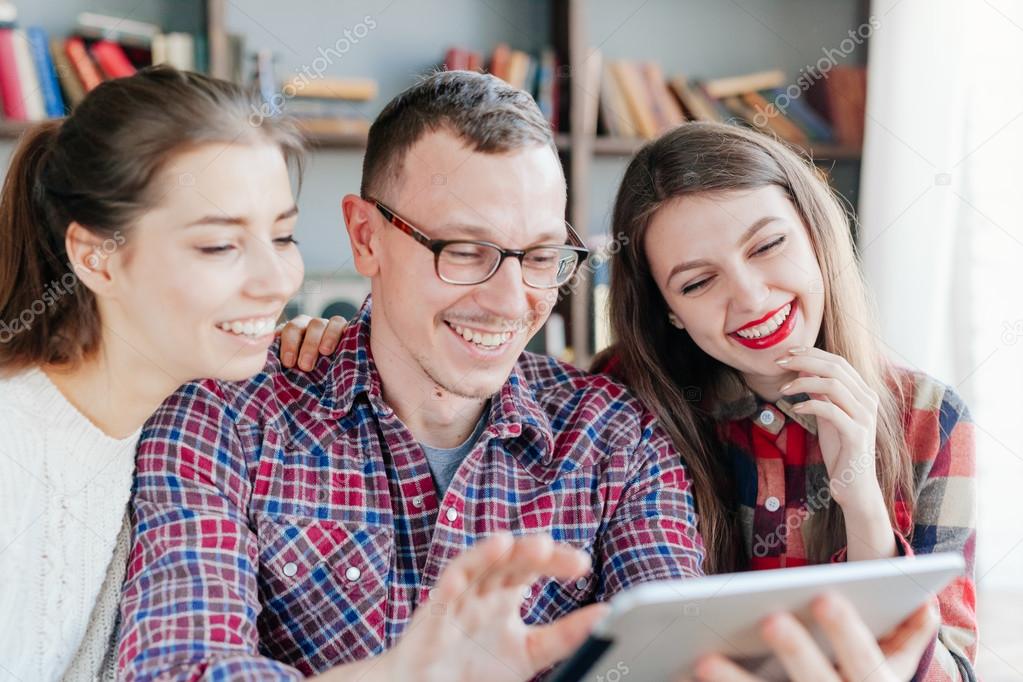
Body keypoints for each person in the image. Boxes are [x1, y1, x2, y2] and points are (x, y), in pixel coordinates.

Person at [116, 69, 704, 680]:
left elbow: (673, 664)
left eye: (539, 256)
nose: (512, 300)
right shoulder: (224, 418)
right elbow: (177, 670)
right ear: (365, 237)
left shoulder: (616, 438)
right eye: (465, 250)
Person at [594, 121, 976, 681]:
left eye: (769, 245)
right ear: (669, 311)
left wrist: (862, 505)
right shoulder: (617, 401)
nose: (750, 297)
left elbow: (954, 671)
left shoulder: (930, 418)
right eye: (698, 283)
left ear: (814, 234)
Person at [0, 66, 345, 680]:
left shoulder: (182, 416)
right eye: (219, 246)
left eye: (284, 235)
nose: (279, 282)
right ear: (95, 258)